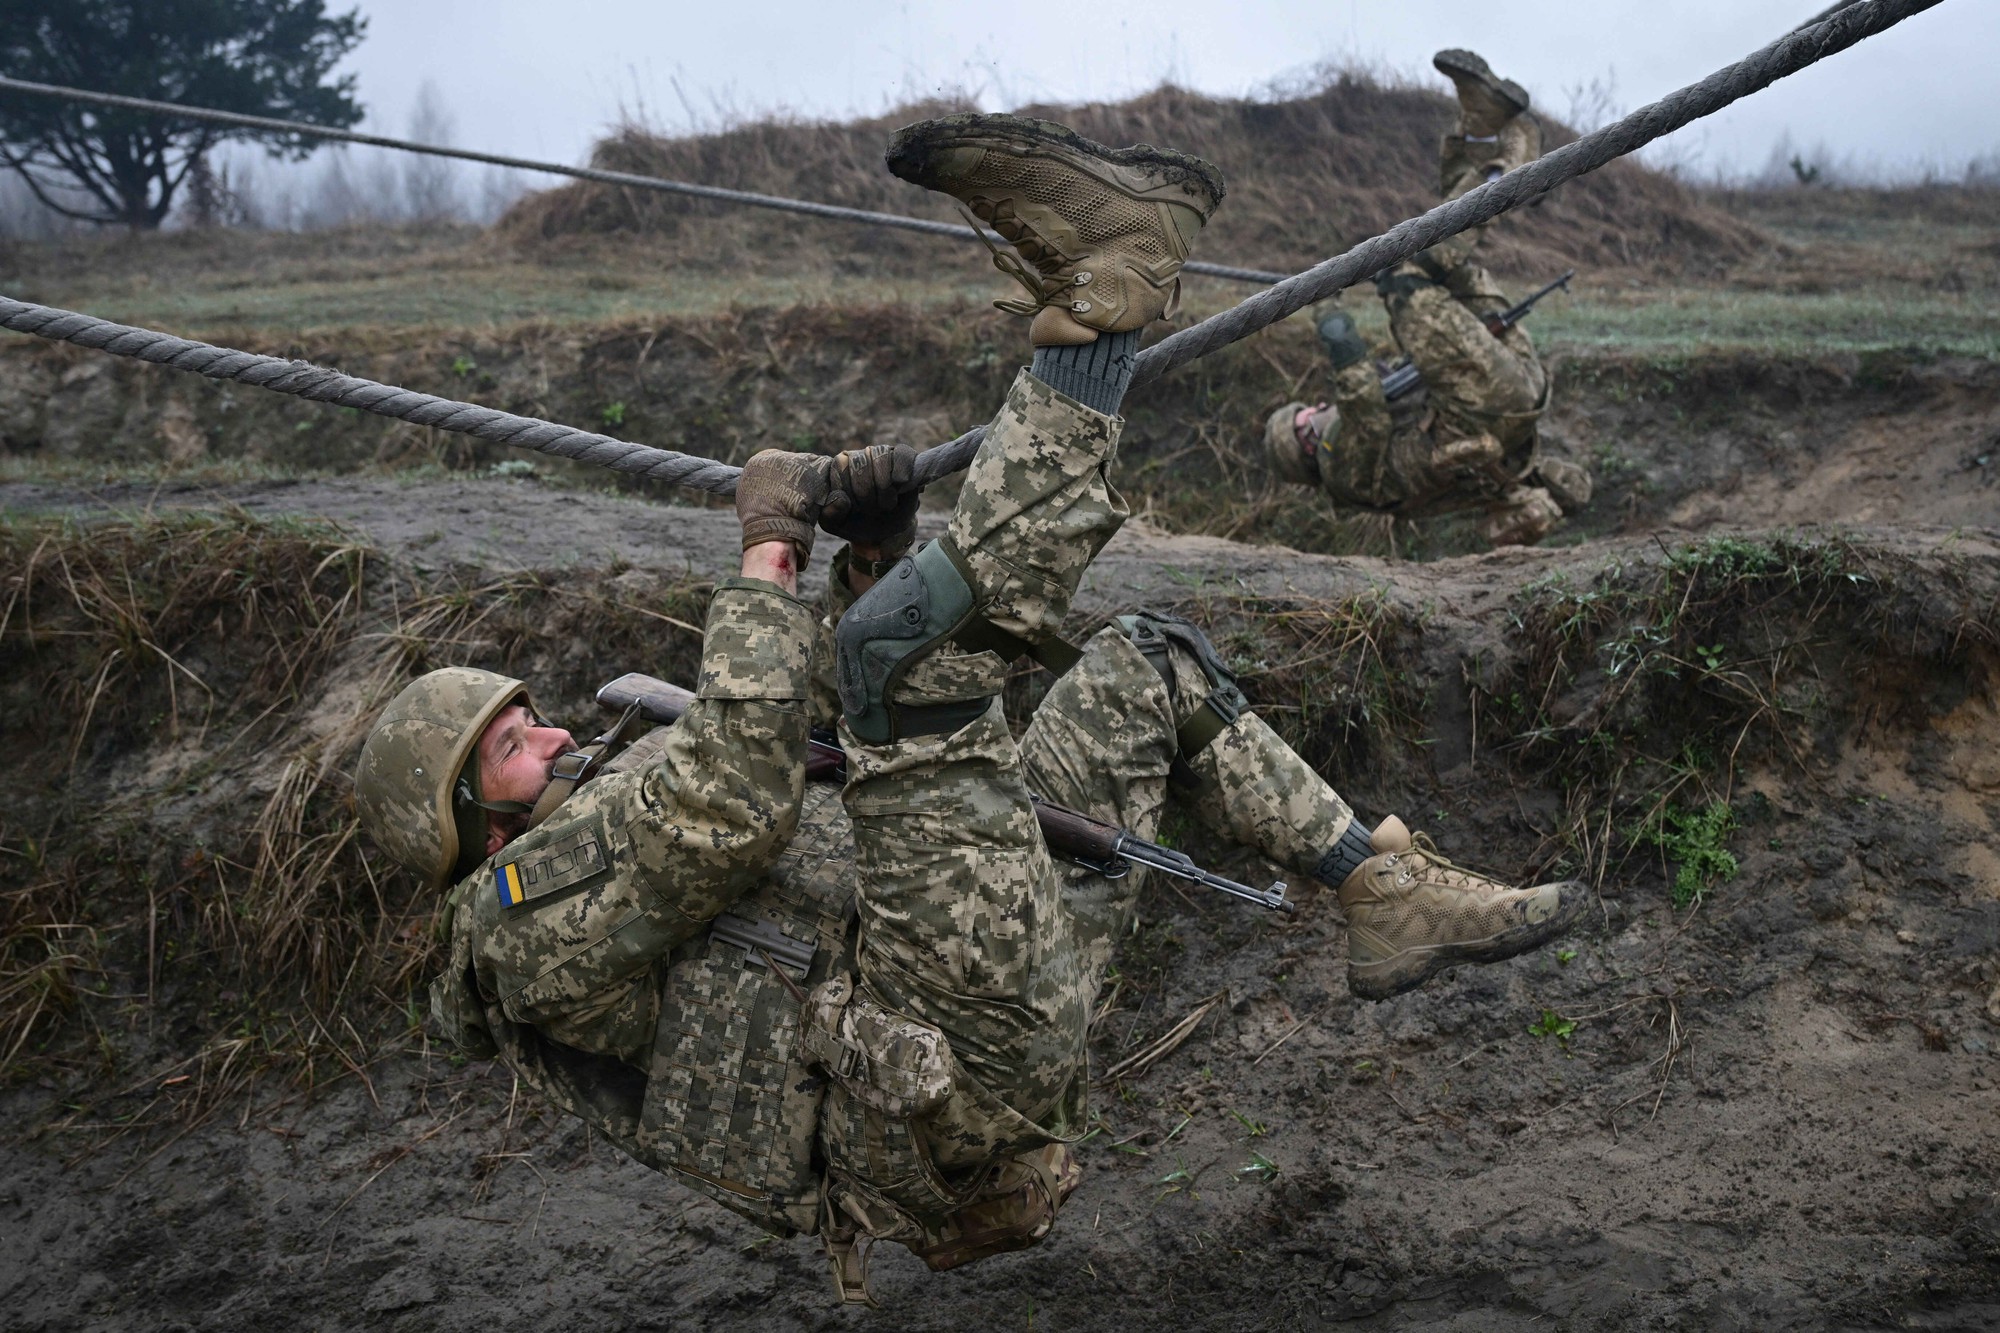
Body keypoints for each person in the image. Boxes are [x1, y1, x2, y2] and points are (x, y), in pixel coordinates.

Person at [353, 112, 1585, 1305]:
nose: (551, 733)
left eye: (530, 715)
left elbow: (807, 731)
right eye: (510, 747)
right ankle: (1105, 292)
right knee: (902, 661)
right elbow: (727, 808)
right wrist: (766, 554)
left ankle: (1380, 891)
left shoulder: (606, 796)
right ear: (466, 826)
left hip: (978, 956)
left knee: (1137, 668)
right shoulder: (514, 928)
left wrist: (872, 552)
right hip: (940, 1068)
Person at [1265, 50, 1593, 547]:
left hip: (1510, 392)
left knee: (1444, 261)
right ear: (1302, 443)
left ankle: (1487, 140)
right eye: (1304, 415)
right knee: (1405, 278)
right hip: (1488, 401)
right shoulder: (1341, 467)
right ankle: (1504, 168)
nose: (1315, 407)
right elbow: (1363, 400)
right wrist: (1326, 307)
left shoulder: (1367, 475)